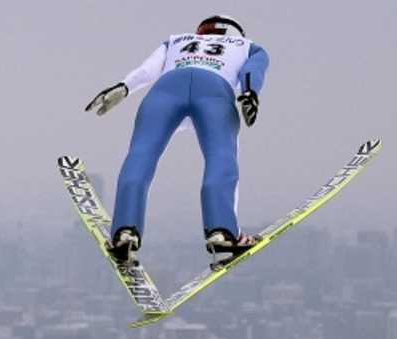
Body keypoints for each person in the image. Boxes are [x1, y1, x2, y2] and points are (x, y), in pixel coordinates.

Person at [86, 14, 269, 263]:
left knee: (141, 153)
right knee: (221, 155)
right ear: (236, 34)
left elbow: (147, 69)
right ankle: (222, 230)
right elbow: (252, 69)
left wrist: (124, 86)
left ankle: (124, 230)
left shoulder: (175, 40)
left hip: (165, 90)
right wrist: (250, 94)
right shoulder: (249, 47)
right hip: (214, 91)